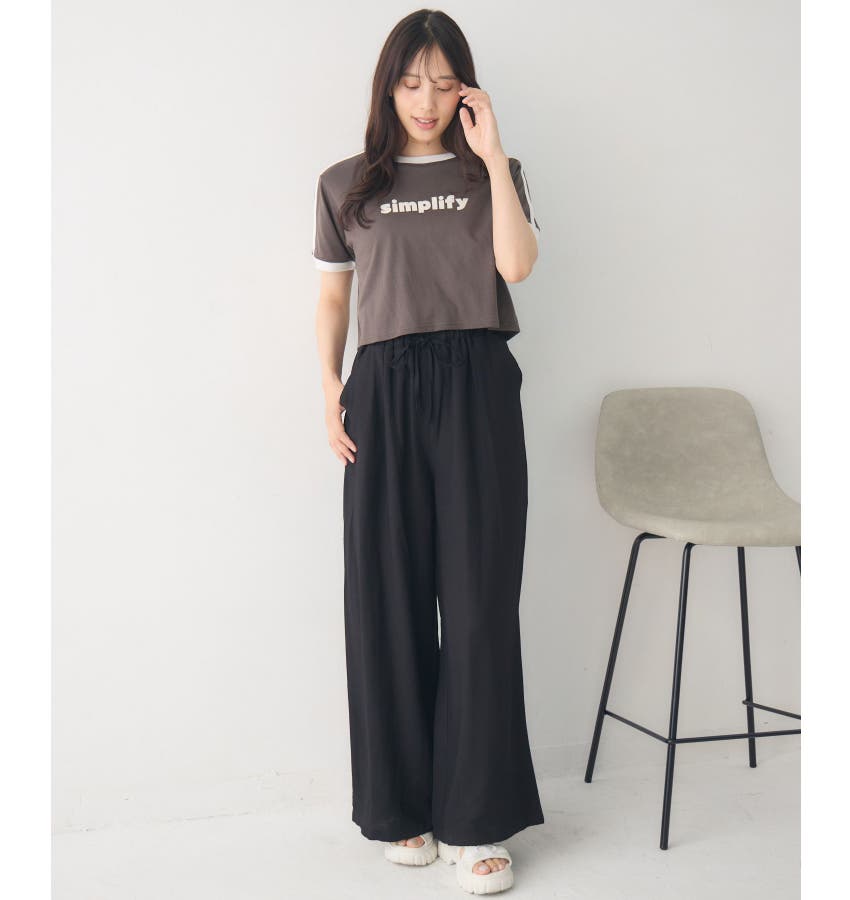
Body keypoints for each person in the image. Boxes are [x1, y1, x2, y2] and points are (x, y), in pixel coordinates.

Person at [312, 9, 544, 895]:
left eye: (445, 84)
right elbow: (334, 299)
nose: (427, 100)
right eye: (412, 82)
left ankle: (477, 821)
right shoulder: (345, 184)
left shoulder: (495, 174)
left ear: (467, 91)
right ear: (388, 87)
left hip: (476, 382)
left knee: (480, 602)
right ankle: (401, 807)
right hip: (382, 388)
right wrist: (327, 387)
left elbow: (516, 268)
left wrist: (493, 155)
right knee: (388, 599)